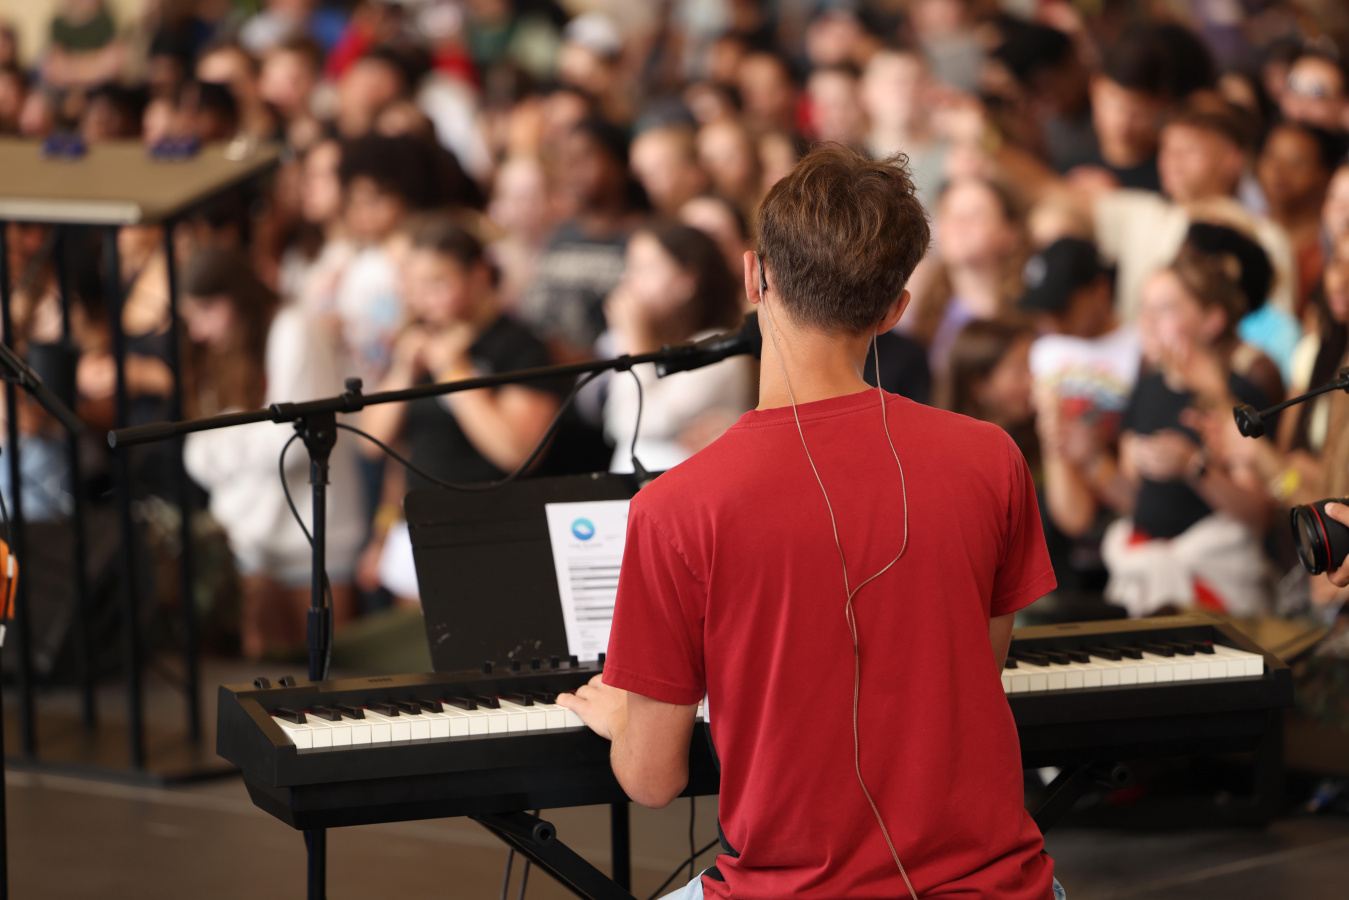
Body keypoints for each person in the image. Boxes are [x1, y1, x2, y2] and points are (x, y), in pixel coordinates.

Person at [556, 145, 1061, 900]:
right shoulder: (993, 458)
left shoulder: (674, 507)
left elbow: (652, 782)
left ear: (753, 276)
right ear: (894, 310)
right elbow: (969, 684)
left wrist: (626, 720)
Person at [357, 218, 562, 602]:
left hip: (497, 535)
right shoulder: (416, 346)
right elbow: (376, 445)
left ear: (479, 275)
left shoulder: (518, 346)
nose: (423, 299)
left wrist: (456, 374)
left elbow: (518, 452)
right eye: (414, 286)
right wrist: (382, 532)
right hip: (420, 528)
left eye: (437, 283)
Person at [180, 248, 363, 659]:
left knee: (329, 673)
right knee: (263, 674)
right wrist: (247, 438)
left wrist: (228, 436)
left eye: (206, 311)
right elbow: (195, 456)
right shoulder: (221, 353)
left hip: (312, 538)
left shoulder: (294, 328)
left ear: (238, 295)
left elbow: (294, 444)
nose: (199, 331)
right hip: (249, 540)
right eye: (192, 317)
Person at [1103, 245, 1276, 618]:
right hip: (1147, 573)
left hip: (1214, 585)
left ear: (1212, 320)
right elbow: (1133, 496)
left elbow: (1258, 515)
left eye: (1166, 309)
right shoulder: (1146, 388)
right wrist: (1089, 460)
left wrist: (1194, 467)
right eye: (1144, 308)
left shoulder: (1239, 396)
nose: (1148, 320)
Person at [600, 222, 754, 474]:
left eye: (644, 269)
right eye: (628, 267)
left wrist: (634, 339)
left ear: (686, 280)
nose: (627, 280)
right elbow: (611, 424)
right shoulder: (648, 340)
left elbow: (634, 423)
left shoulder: (719, 348)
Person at [1020, 238, 1141, 538]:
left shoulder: (1141, 349)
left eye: (1061, 307)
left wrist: (1092, 453)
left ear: (1100, 291)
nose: (1051, 320)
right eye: (1043, 309)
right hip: (1057, 508)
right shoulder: (1042, 350)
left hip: (1123, 507)